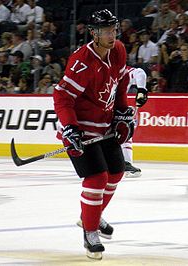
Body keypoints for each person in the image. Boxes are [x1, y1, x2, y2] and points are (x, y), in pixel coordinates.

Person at [53, 9, 148, 260]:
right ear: (93, 33)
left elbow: (118, 86)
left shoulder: (117, 51)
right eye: (106, 30)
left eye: (114, 29)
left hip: (104, 128)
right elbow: (62, 97)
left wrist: (123, 113)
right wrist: (71, 129)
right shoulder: (81, 61)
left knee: (116, 173)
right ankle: (90, 232)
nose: (112, 34)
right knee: (97, 178)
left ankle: (89, 217)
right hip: (80, 129)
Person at [121, 66, 148, 178]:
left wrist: (141, 90)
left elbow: (140, 73)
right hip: (98, 108)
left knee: (125, 132)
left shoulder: (122, 71)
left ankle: (126, 164)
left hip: (115, 108)